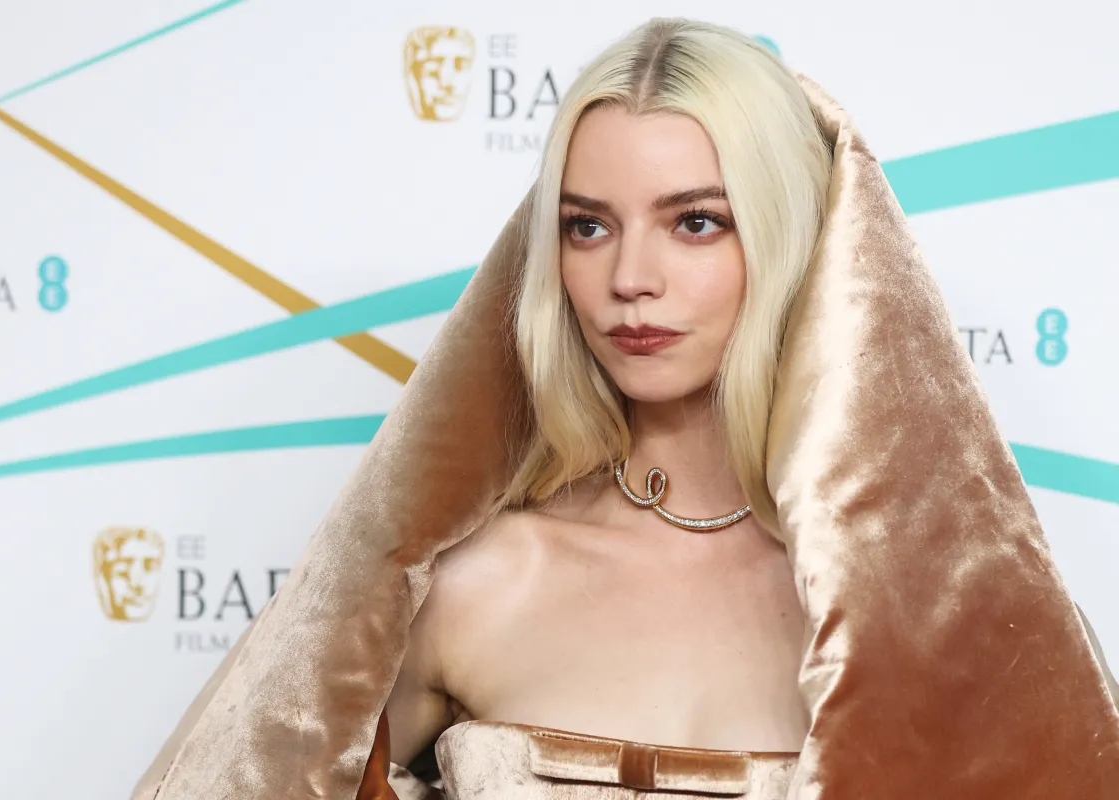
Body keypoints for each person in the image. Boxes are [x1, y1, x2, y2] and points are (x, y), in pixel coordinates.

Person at [132, 19, 1119, 800]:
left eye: (696, 221)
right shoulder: (471, 586)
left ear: (785, 237)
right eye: (587, 226)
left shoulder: (948, 614)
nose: (629, 279)